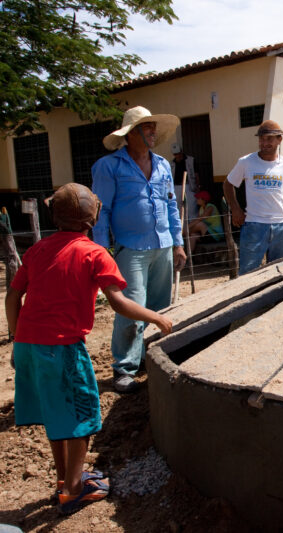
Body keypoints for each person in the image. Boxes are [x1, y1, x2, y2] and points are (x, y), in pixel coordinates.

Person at [5, 183, 172, 514]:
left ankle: (63, 480)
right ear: (92, 218)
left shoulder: (37, 250)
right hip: (62, 347)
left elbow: (13, 297)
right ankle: (76, 489)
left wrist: (17, 335)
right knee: (82, 414)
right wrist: (157, 319)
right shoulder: (94, 253)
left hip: (27, 345)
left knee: (56, 412)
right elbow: (120, 303)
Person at [91, 106, 186, 393]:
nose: (153, 133)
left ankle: (152, 358)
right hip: (129, 247)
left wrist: (179, 243)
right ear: (131, 134)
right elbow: (101, 210)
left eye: (154, 128)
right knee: (131, 307)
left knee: (159, 306)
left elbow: (171, 205)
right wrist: (100, 250)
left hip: (163, 245)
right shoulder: (109, 167)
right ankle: (124, 367)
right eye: (147, 128)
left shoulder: (162, 165)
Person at [223, 119, 283, 274]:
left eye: (269, 139)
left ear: (279, 139)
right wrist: (235, 209)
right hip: (254, 226)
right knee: (248, 274)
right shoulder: (246, 162)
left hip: (281, 227)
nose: (264, 143)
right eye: (261, 139)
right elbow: (228, 184)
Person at [170, 143, 198, 222]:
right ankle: (182, 226)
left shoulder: (190, 160)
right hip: (176, 187)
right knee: (179, 208)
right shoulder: (171, 163)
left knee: (191, 207)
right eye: (175, 154)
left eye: (178, 153)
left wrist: (197, 186)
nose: (177, 156)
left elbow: (196, 174)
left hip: (189, 185)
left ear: (181, 152)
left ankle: (193, 225)